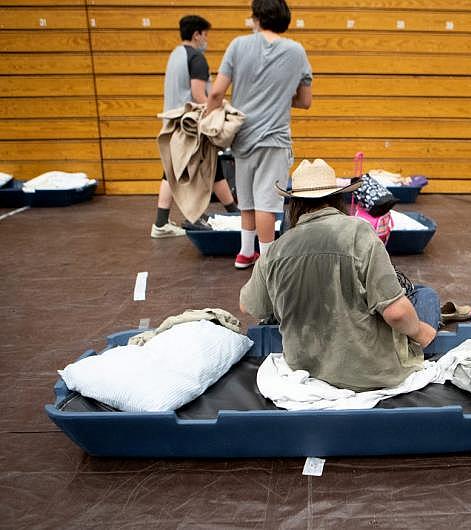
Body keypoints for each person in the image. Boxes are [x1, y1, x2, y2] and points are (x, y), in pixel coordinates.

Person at [239, 159, 440, 392]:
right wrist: (420, 332)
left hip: (305, 366)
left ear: (293, 205)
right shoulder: (359, 232)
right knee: (425, 295)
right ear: (337, 199)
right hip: (371, 372)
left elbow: (249, 307)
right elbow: (395, 313)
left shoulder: (276, 249)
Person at [204, 0, 312, 268]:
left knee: (248, 198)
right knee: (267, 201)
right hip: (274, 139)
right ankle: (267, 262)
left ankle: (244, 253)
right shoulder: (296, 51)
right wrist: (277, 98)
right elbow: (305, 101)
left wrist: (205, 116)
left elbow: (217, 92)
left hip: (242, 137)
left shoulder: (238, 45)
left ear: (256, 18)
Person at [151, 15, 239, 239]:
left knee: (177, 171)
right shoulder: (197, 59)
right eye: (205, 35)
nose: (206, 39)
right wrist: (221, 110)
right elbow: (200, 96)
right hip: (188, 126)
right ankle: (234, 213)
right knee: (209, 166)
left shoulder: (175, 55)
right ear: (196, 34)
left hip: (172, 124)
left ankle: (161, 222)